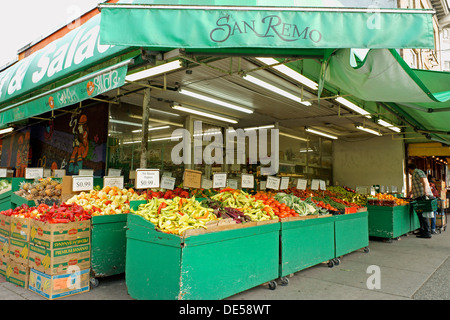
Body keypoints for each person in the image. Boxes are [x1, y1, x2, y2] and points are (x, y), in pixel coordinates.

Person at [407, 163, 434, 238]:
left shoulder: (418, 172)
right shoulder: (415, 174)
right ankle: (422, 231)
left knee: (423, 215)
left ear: (409, 169)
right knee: (420, 214)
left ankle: (427, 233)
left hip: (422, 196)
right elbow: (417, 185)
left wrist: (425, 191)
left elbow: (424, 181)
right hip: (418, 196)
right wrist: (411, 193)